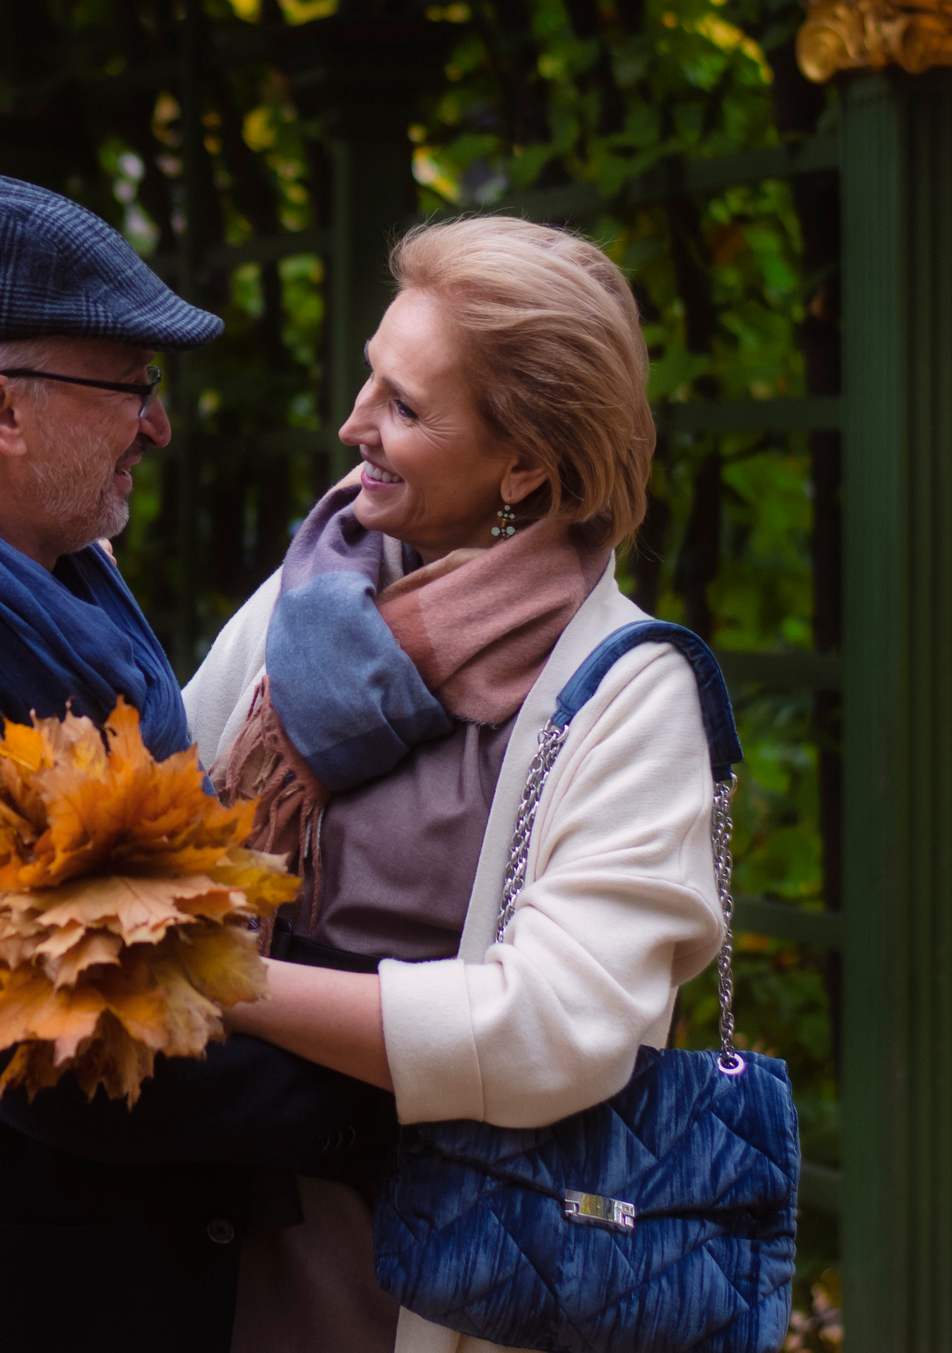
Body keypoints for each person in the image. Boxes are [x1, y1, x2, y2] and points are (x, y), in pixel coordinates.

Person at [0, 174, 396, 1353]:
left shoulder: (53, 583)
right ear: (1, 411)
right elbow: (80, 1059)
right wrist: (408, 1085)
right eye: (131, 385)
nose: (155, 424)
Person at [183, 215, 726, 1353]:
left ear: (525, 463)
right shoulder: (306, 606)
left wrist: (224, 981)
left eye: (406, 407)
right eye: (370, 377)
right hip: (211, 1233)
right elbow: (164, 817)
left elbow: (558, 1026)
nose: (354, 424)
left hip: (431, 1276)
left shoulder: (625, 693)